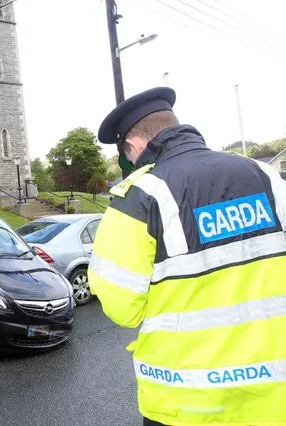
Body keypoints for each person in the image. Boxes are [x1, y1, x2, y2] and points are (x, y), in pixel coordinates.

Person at [87, 87, 286, 425]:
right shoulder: (266, 176)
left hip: (187, 401)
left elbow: (122, 307)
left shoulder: (140, 196)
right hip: (272, 397)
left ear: (134, 146)